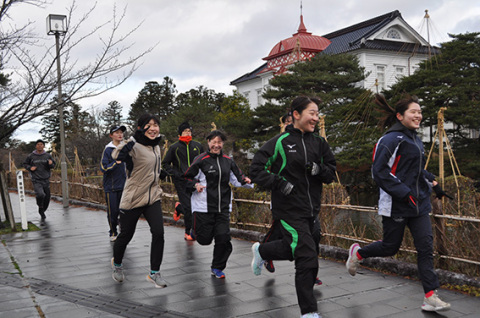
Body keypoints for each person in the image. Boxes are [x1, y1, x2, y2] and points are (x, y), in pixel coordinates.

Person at [346, 94, 452, 313]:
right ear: (400, 115)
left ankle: (430, 296)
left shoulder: (415, 139)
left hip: (419, 204)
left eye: (420, 112)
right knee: (390, 247)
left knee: (425, 248)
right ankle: (358, 253)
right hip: (396, 203)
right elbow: (379, 172)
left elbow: (415, 170)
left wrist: (433, 182)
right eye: (413, 112)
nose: (418, 115)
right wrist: (404, 193)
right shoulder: (390, 140)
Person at [250, 96, 336, 318]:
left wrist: (318, 169)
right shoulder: (280, 142)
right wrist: (278, 182)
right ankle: (309, 312)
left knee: (301, 248)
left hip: (311, 209)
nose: (316, 118)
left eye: (318, 114)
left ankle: (262, 250)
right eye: (312, 113)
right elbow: (257, 169)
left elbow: (331, 172)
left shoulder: (320, 143)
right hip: (288, 209)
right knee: (306, 255)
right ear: (296, 115)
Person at [263, 112, 323, 286]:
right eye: (288, 122)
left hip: (307, 202)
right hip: (285, 202)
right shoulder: (278, 143)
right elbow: (263, 169)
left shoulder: (312, 142)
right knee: (280, 233)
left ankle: (311, 272)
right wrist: (279, 183)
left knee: (314, 235)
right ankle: (265, 253)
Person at [184, 130, 253, 279]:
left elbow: (237, 178)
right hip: (203, 206)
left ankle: (217, 267)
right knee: (204, 240)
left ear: (223, 144)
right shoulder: (200, 160)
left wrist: (247, 181)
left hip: (223, 207)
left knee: (223, 238)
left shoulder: (228, 161)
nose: (217, 145)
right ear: (208, 142)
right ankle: (194, 230)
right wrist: (195, 184)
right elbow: (186, 178)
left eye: (219, 142)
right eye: (214, 142)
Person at [110, 113, 169, 288]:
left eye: (156, 124)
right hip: (134, 198)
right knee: (126, 235)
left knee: (159, 233)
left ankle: (154, 273)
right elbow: (116, 156)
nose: (153, 128)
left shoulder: (156, 147)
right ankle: (118, 265)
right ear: (140, 128)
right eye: (149, 125)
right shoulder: (133, 145)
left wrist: (163, 174)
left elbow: (153, 168)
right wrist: (127, 145)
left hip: (153, 196)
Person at [162, 121, 204, 240]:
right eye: (185, 131)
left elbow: (204, 161)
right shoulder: (174, 147)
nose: (188, 133)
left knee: (194, 206)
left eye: (189, 131)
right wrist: (175, 174)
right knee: (189, 208)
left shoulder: (197, 146)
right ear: (180, 133)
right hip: (180, 181)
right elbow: (165, 163)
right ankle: (188, 232)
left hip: (195, 181)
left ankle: (179, 207)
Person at [100, 125, 127, 241]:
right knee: (113, 211)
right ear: (111, 135)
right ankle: (113, 232)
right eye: (116, 133)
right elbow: (103, 168)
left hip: (125, 186)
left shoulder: (125, 148)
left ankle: (123, 231)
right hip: (111, 187)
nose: (120, 134)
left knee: (124, 211)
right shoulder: (108, 150)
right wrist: (115, 163)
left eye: (121, 132)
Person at [23, 139, 56, 220]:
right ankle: (40, 206)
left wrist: (51, 164)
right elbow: (25, 164)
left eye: (41, 144)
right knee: (41, 194)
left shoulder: (47, 155)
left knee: (47, 198)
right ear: (36, 146)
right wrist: (30, 168)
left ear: (44, 146)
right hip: (36, 180)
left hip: (46, 179)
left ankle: (42, 210)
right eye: (38, 144)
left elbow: (53, 165)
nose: (40, 145)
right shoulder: (31, 156)